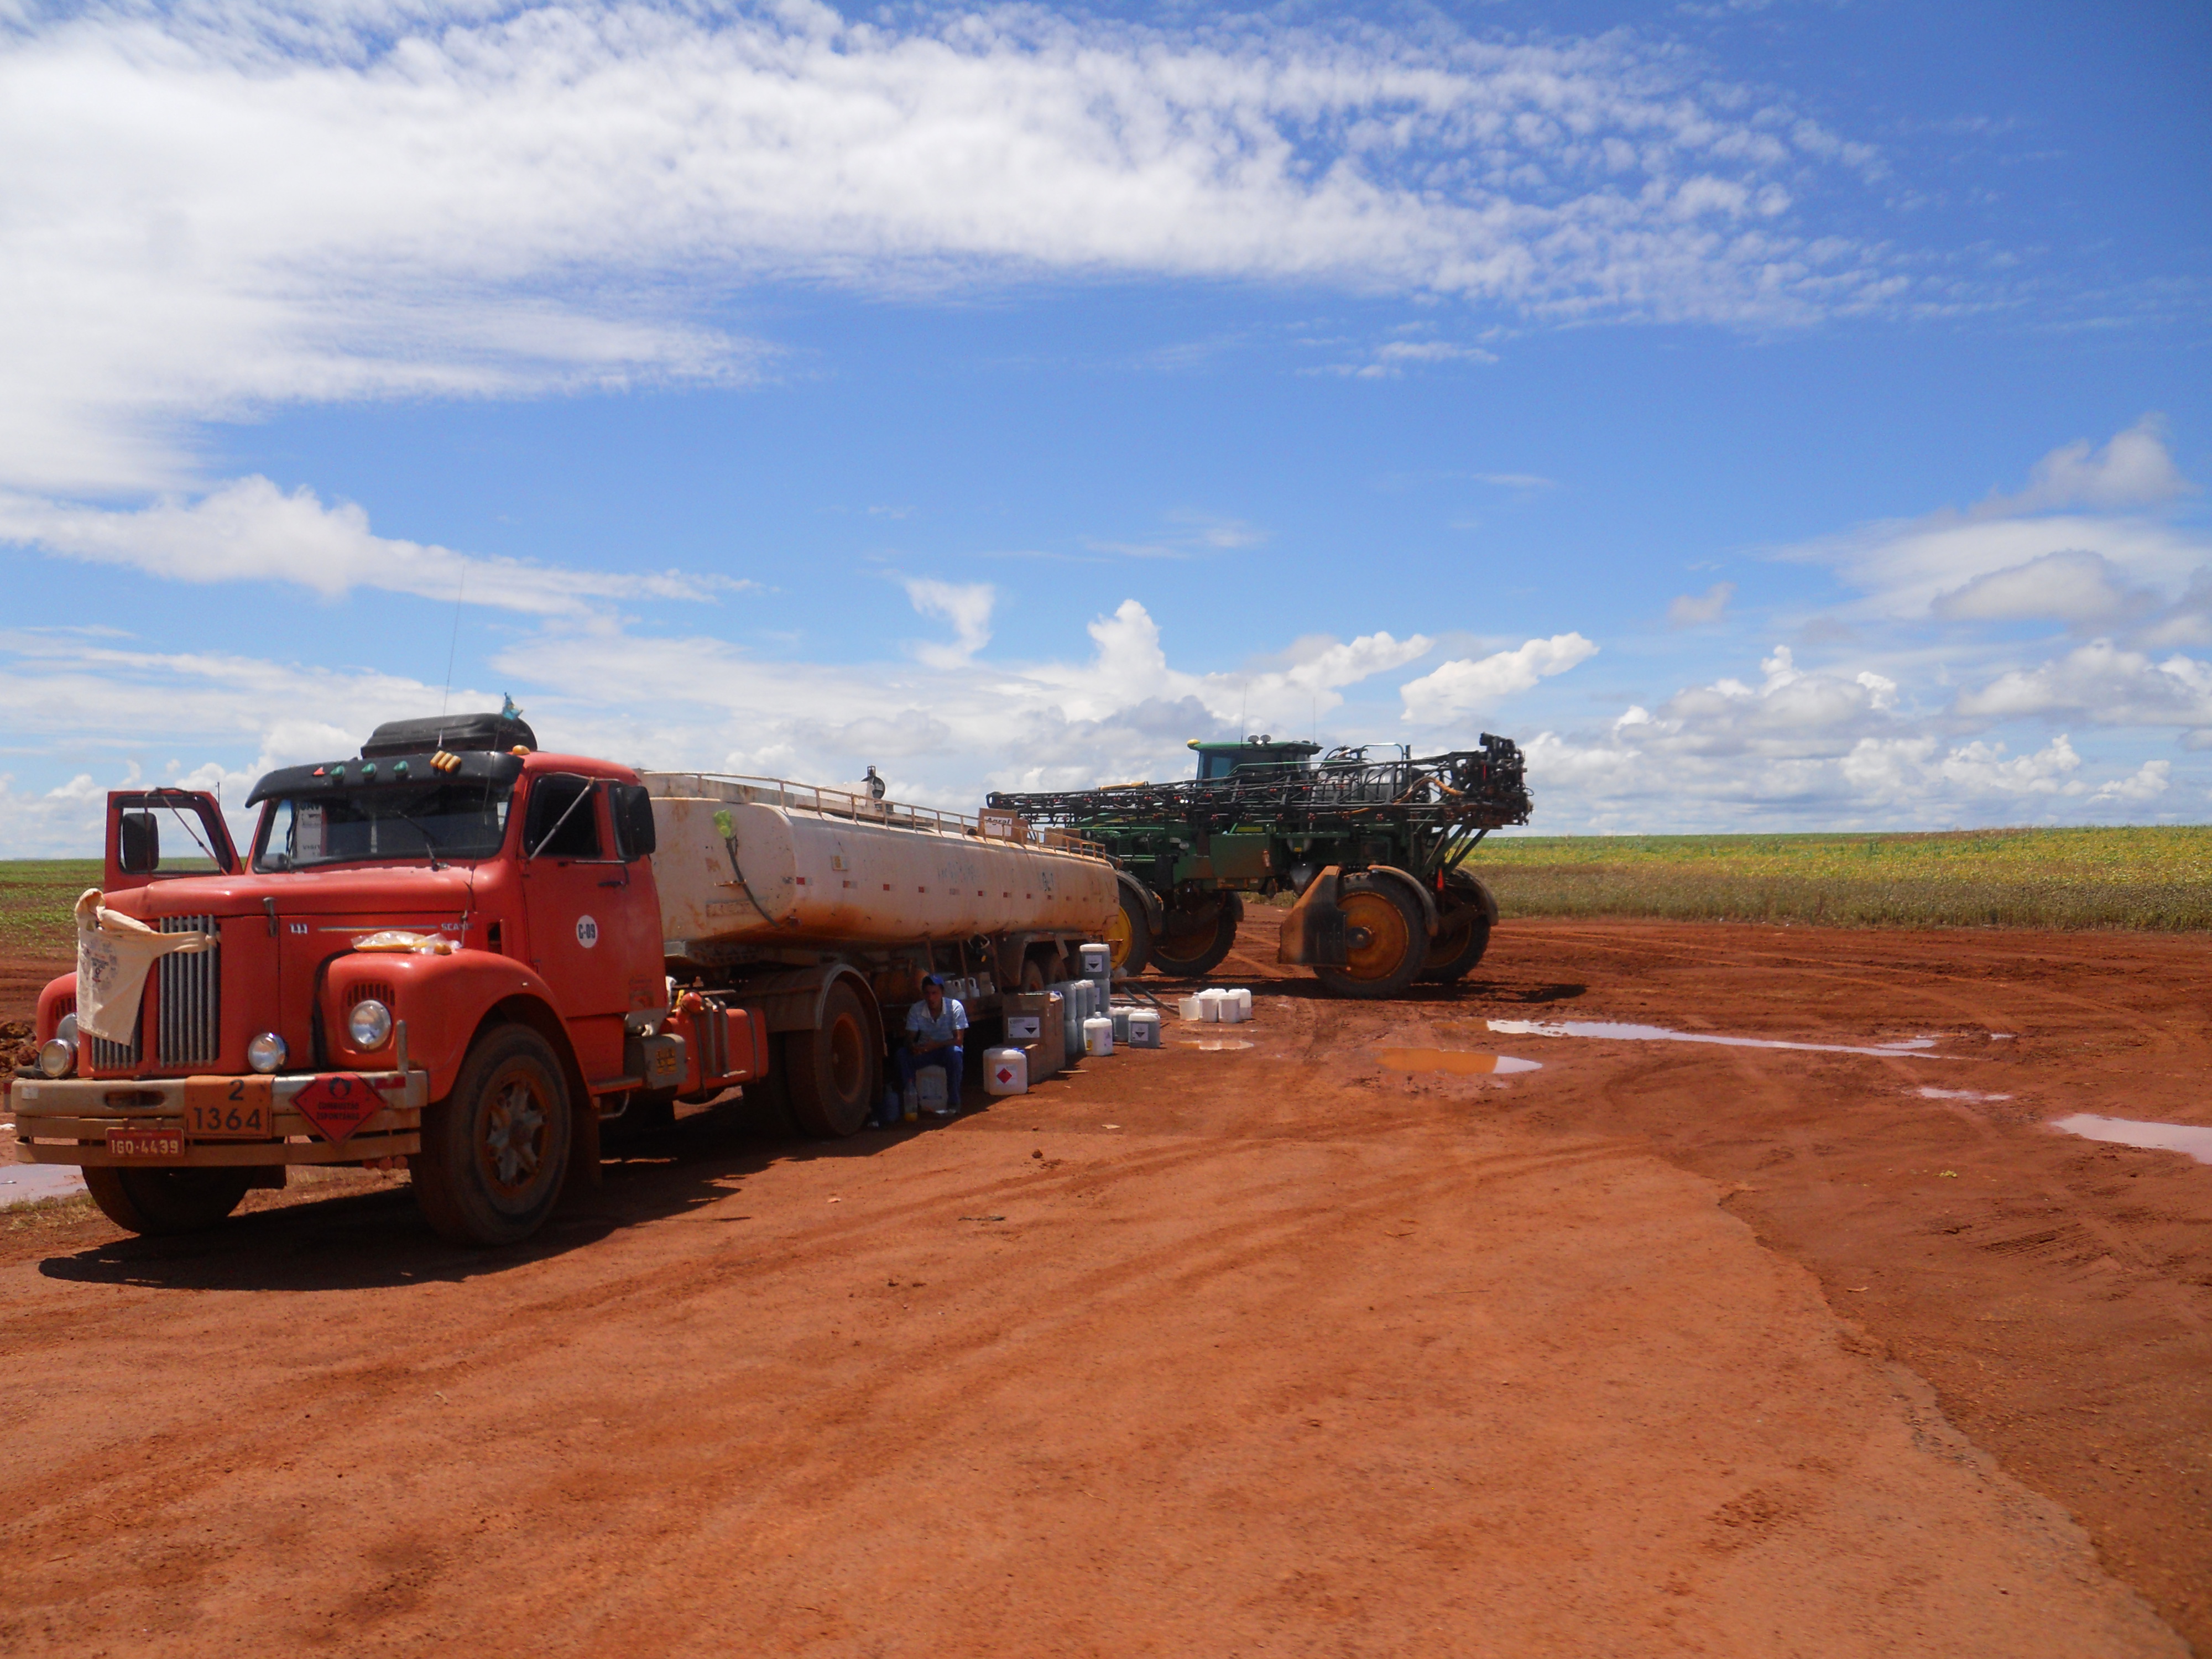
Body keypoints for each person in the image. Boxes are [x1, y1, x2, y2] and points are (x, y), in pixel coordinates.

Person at [898, 974, 968, 1118]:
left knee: (955, 1054)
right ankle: (913, 1104)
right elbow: (909, 1038)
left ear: (942, 993)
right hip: (926, 1051)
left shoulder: (955, 1007)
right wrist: (914, 1047)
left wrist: (935, 1046)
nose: (931, 998)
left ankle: (954, 1102)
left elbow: (959, 1040)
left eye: (934, 993)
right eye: (928, 994)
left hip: (945, 1051)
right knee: (902, 1055)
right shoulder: (917, 1010)